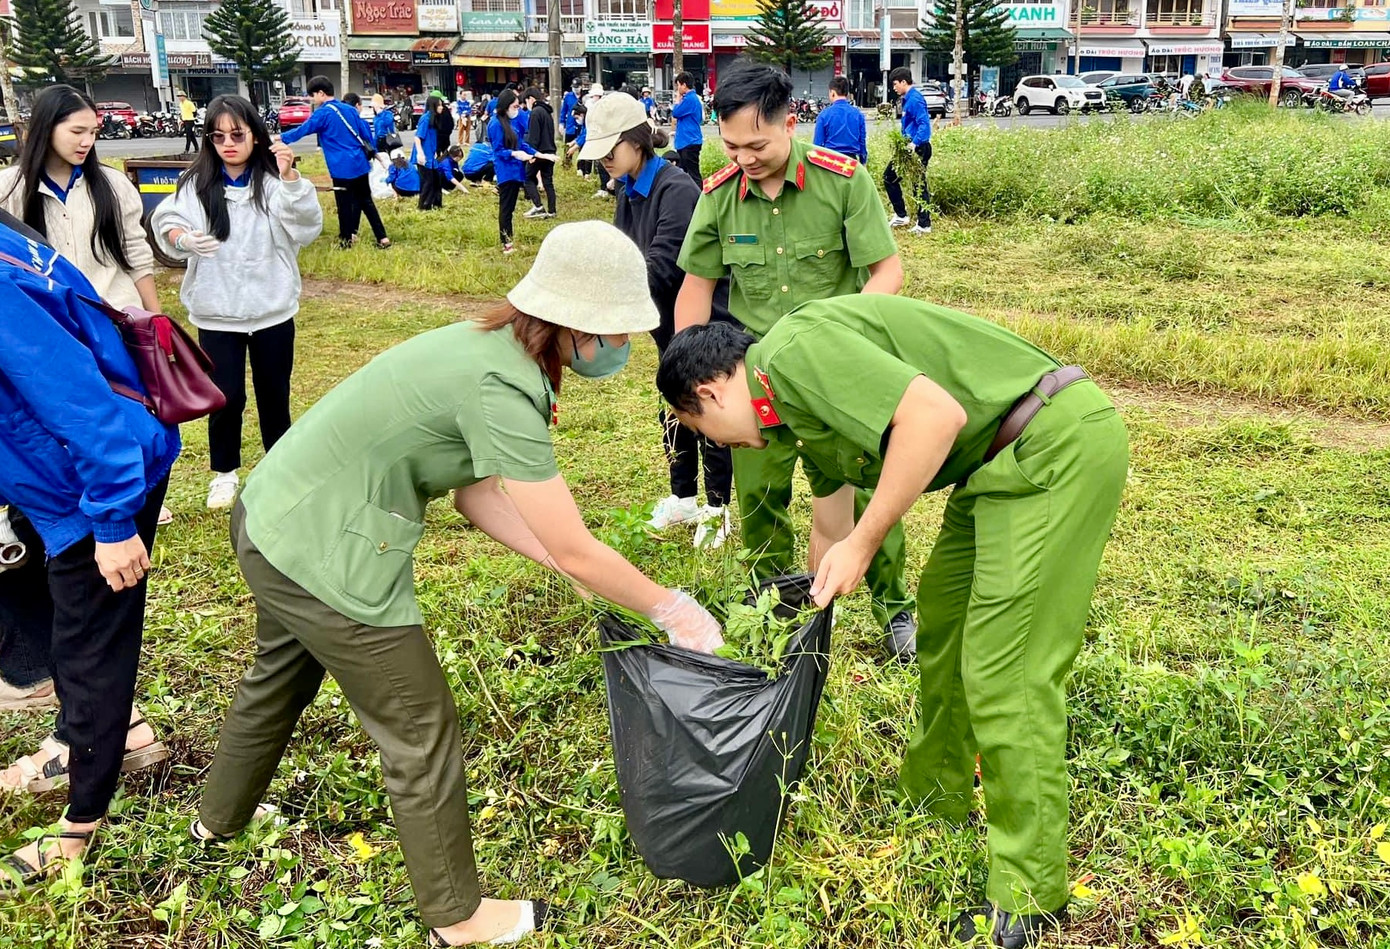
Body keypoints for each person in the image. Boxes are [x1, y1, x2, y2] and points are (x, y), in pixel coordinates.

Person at [193, 221, 723, 948]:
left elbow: (477, 496)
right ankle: (457, 915)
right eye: (617, 331)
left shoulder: (488, 346)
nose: (623, 348)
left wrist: (561, 561)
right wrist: (671, 607)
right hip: (324, 549)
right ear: (577, 323)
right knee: (420, 727)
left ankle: (213, 821)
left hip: (275, 517)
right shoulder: (501, 385)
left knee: (279, 674)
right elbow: (573, 541)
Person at [657, 298, 1129, 949]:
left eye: (703, 429)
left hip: (1051, 448)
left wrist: (866, 541)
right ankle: (936, 792)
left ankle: (1029, 891)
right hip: (994, 468)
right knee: (942, 627)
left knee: (1006, 671)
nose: (719, 445)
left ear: (709, 392)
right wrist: (812, 598)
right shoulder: (792, 413)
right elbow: (832, 527)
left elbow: (936, 416)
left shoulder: (795, 353)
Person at [673, 60, 917, 661]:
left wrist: (847, 334)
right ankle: (775, 606)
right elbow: (695, 289)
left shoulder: (842, 181)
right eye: (731, 144)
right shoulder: (721, 195)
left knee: (864, 487)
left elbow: (886, 272)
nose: (744, 157)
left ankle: (894, 610)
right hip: (757, 380)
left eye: (756, 143)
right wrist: (689, 376)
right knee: (759, 498)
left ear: (789, 121)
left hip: (835, 373)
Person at [0, 213, 180, 889]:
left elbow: (76, 400)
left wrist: (110, 522)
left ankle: (79, 826)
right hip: (51, 478)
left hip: (93, 479)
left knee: (91, 643)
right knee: (49, 620)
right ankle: (81, 734)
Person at [150, 95, 323, 511]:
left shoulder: (273, 184)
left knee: (274, 393)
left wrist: (292, 180)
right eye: (218, 136)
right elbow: (167, 222)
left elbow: (306, 228)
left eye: (238, 135)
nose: (228, 144)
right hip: (218, 313)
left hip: (272, 311)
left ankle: (279, 469)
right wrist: (182, 240)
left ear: (255, 136)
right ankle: (224, 473)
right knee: (225, 397)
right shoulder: (197, 186)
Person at [581, 93, 738, 548]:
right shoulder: (629, 192)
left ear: (636, 141)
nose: (605, 160)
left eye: (611, 150)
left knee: (707, 405)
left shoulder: (677, 189)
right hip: (662, 323)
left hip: (703, 322)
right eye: (600, 153)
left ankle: (716, 507)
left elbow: (662, 266)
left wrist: (605, 302)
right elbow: (622, 256)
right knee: (673, 405)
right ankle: (684, 498)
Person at [0, 85, 160, 313]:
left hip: (115, 316)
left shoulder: (114, 184)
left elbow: (135, 253)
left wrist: (156, 318)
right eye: (77, 132)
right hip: (47, 320)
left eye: (93, 132)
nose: (87, 141)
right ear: (46, 128)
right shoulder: (8, 188)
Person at [280, 76, 391, 250]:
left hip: (341, 167)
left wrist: (281, 138)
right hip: (360, 163)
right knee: (366, 201)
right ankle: (382, 237)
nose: (312, 99)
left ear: (321, 93)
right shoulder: (350, 109)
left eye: (312, 95)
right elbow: (365, 134)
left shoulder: (323, 113)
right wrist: (374, 153)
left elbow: (303, 130)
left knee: (344, 204)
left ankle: (346, 241)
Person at [884, 67, 932, 236]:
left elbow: (924, 125)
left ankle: (924, 224)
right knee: (890, 177)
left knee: (918, 184)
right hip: (907, 148)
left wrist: (914, 143)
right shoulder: (907, 99)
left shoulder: (915, 99)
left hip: (918, 148)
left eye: (895, 84)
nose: (894, 88)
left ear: (904, 82)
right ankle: (901, 215)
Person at [488, 89, 536, 255]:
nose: (517, 109)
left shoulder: (510, 121)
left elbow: (521, 139)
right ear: (506, 106)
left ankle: (509, 240)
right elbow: (498, 150)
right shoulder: (495, 124)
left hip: (516, 171)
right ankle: (506, 243)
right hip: (506, 171)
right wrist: (514, 154)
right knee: (506, 209)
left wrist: (536, 153)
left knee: (511, 208)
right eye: (515, 106)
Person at [813, 75, 868, 164]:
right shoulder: (858, 114)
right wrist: (863, 162)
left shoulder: (824, 115)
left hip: (830, 161)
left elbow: (817, 144)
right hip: (851, 163)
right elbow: (862, 142)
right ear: (847, 93)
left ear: (832, 93)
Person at [522, 87, 558, 220]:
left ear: (531, 99)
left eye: (526, 102)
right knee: (548, 181)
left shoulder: (536, 112)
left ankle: (538, 207)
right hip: (550, 151)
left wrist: (531, 154)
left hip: (539, 152)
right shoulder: (547, 112)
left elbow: (534, 136)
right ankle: (552, 210)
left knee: (527, 178)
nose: (527, 106)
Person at [414, 94, 452, 212]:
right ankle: (424, 207)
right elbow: (417, 137)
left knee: (436, 180)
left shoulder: (434, 119)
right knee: (427, 182)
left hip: (431, 155)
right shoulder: (425, 119)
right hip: (424, 156)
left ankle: (437, 205)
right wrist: (420, 153)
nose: (442, 107)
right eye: (440, 105)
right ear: (434, 106)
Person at [671, 72, 705, 182]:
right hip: (689, 140)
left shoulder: (689, 99)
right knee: (685, 172)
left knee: (692, 174)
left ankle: (698, 196)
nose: (678, 89)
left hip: (688, 141)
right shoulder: (694, 99)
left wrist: (677, 99)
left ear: (684, 85)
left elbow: (675, 112)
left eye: (678, 85)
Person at [371, 93, 399, 158]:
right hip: (379, 141)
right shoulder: (375, 117)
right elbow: (376, 130)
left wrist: (381, 113)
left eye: (374, 106)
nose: (374, 108)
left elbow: (387, 123)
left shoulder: (388, 114)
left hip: (388, 140)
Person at [560, 82, 580, 161]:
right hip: (570, 126)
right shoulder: (568, 97)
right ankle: (567, 165)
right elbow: (563, 111)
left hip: (581, 125)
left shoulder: (585, 96)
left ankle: (582, 169)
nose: (575, 89)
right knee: (568, 146)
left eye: (577, 87)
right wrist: (561, 123)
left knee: (581, 146)